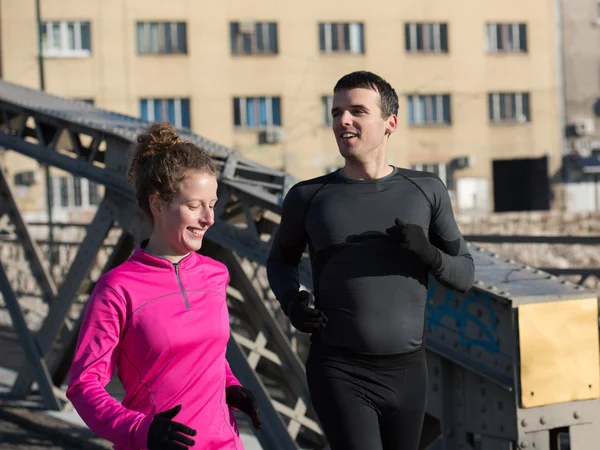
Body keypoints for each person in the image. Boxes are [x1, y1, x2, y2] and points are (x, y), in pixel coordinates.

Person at [266, 71, 474, 450]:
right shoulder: (309, 196)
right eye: (336, 112)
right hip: (340, 369)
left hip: (410, 371)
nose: (343, 120)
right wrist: (291, 301)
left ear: (390, 123)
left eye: (357, 111)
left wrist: (427, 253)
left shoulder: (426, 190)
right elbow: (279, 262)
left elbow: (465, 274)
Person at [67, 122, 261, 450]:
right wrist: (140, 429)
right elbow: (84, 384)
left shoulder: (216, 275)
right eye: (194, 205)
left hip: (225, 443)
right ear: (157, 205)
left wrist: (230, 385)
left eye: (212, 204)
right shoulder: (117, 288)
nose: (209, 217)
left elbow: (207, 353)